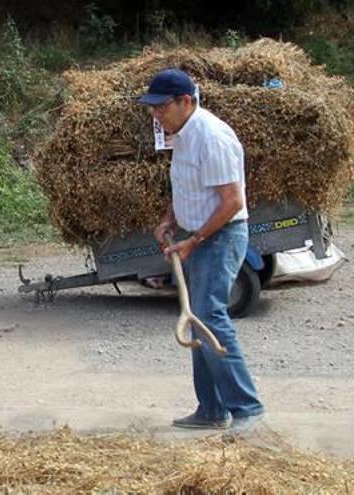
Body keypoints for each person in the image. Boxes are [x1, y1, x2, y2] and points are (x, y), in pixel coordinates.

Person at [139, 68, 264, 430]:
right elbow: (189, 188)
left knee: (209, 319)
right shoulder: (182, 134)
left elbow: (231, 202)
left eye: (161, 107)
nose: (156, 115)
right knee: (198, 320)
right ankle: (211, 410)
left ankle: (248, 410)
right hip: (199, 235)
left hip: (221, 237)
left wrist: (194, 241)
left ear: (186, 101)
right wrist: (169, 220)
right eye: (153, 108)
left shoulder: (212, 136)